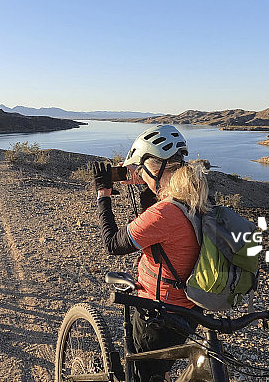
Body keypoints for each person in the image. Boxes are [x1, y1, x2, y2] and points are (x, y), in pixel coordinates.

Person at [91, 124, 209, 382]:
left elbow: (113, 243)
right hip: (190, 308)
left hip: (158, 313)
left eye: (141, 168)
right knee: (159, 368)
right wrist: (145, 180)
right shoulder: (196, 198)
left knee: (145, 374)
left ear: (153, 169)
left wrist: (103, 196)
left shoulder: (163, 213)